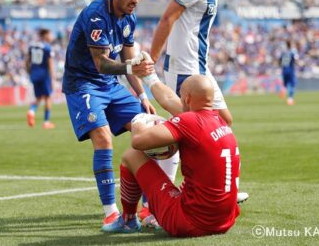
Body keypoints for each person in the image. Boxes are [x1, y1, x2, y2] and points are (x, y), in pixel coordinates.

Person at [147, 0, 242, 212]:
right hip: (185, 69)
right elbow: (167, 19)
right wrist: (151, 60)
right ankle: (157, 202)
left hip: (200, 69)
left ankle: (214, 184)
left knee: (223, 122)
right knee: (188, 131)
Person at [62, 0, 157, 229]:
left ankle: (150, 209)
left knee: (151, 130)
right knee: (103, 138)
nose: (135, 0)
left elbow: (128, 58)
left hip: (110, 84)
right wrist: (131, 69)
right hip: (83, 84)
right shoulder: (96, 15)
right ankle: (111, 214)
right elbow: (102, 63)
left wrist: (142, 94)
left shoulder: (129, 17)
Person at [103, 73, 241, 236]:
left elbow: (138, 141)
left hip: (191, 222)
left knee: (131, 155)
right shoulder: (221, 121)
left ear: (187, 98)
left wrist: (139, 120)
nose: (180, 101)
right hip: (225, 221)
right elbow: (171, 102)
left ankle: (128, 221)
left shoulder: (189, 121)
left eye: (181, 97)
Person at [26, 28, 56, 130]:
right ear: (45, 35)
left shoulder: (32, 46)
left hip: (34, 75)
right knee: (48, 97)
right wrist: (53, 79)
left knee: (38, 97)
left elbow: (27, 61)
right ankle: (46, 122)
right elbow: (50, 64)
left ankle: (31, 111)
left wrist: (30, 72)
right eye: (50, 34)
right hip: (44, 75)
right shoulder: (47, 48)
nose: (51, 36)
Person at [279, 40, 297, 105]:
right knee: (292, 84)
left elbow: (280, 60)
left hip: (284, 70)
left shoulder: (283, 53)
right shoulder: (292, 53)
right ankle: (290, 99)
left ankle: (283, 90)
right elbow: (295, 60)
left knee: (285, 84)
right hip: (290, 70)